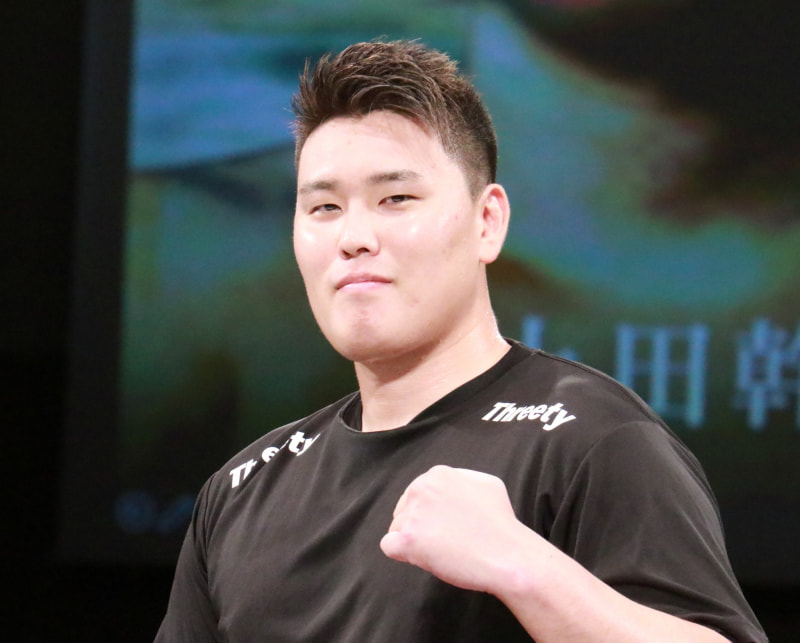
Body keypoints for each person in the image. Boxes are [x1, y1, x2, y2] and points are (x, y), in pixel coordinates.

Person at [155, 40, 767, 642]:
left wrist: (525, 569)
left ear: (487, 221)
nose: (354, 237)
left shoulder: (593, 441)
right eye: (324, 208)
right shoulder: (241, 491)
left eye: (395, 199)